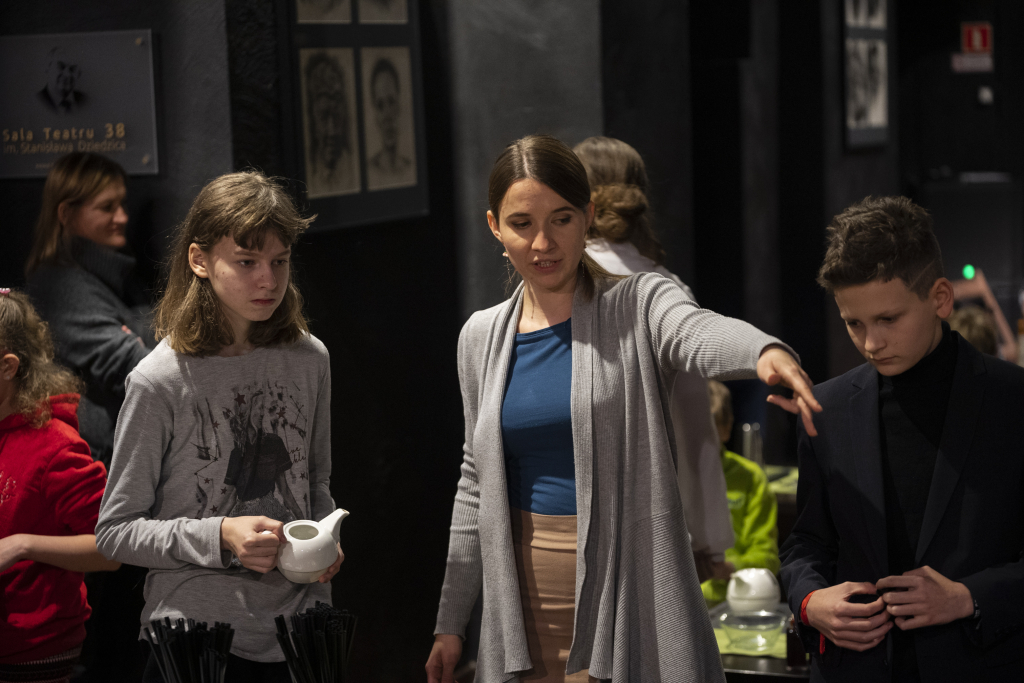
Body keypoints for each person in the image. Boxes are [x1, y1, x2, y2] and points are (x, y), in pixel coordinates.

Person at [426, 135, 821, 683]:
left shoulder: (638, 302)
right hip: (517, 608)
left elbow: (695, 330)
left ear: (588, 216)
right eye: (522, 223)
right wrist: (450, 622)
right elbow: (475, 481)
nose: (543, 242)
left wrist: (763, 352)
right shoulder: (481, 336)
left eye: (561, 219)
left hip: (626, 589)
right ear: (495, 226)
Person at [94, 171, 343, 683]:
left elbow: (314, 481)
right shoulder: (159, 380)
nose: (268, 280)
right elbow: (115, 532)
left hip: (301, 632)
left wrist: (324, 539)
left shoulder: (309, 358)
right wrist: (221, 535)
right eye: (247, 262)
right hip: (196, 638)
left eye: (279, 261)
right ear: (199, 260)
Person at [779, 196, 1024, 682]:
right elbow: (806, 543)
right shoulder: (826, 407)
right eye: (854, 323)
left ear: (940, 298)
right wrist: (810, 601)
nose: (871, 343)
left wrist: (968, 597)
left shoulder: (1013, 400)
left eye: (888, 319)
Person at [574, 135, 735, 583]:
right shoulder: (669, 289)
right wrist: (708, 539)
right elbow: (695, 423)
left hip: (562, 515)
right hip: (654, 522)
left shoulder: (555, 282)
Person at [24, 151, 154, 682]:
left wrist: (141, 330)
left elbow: (141, 348)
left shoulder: (107, 276)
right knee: (105, 636)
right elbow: (134, 364)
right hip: (90, 479)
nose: (122, 217)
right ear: (66, 213)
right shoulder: (59, 284)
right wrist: (142, 333)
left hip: (116, 470)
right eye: (107, 206)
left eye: (122, 204)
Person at [0, 289, 120, 683]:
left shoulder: (56, 446)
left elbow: (112, 549)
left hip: (31, 650)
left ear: (8, 367)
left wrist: (22, 545)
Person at [700, 381, 779, 606]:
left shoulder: (750, 477)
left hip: (732, 602)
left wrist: (729, 568)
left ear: (726, 428)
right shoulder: (661, 478)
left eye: (708, 433)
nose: (696, 443)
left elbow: (767, 557)